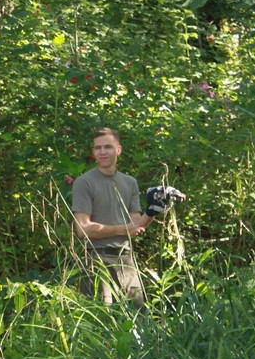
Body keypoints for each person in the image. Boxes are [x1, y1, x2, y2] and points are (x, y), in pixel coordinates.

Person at [71, 127, 184, 309]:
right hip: (97, 259)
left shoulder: (129, 182)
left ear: (118, 150)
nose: (102, 152)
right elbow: (82, 229)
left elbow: (136, 226)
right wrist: (124, 229)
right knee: (102, 319)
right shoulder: (84, 182)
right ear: (93, 152)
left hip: (126, 258)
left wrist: (154, 209)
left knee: (138, 316)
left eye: (107, 147)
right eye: (97, 148)